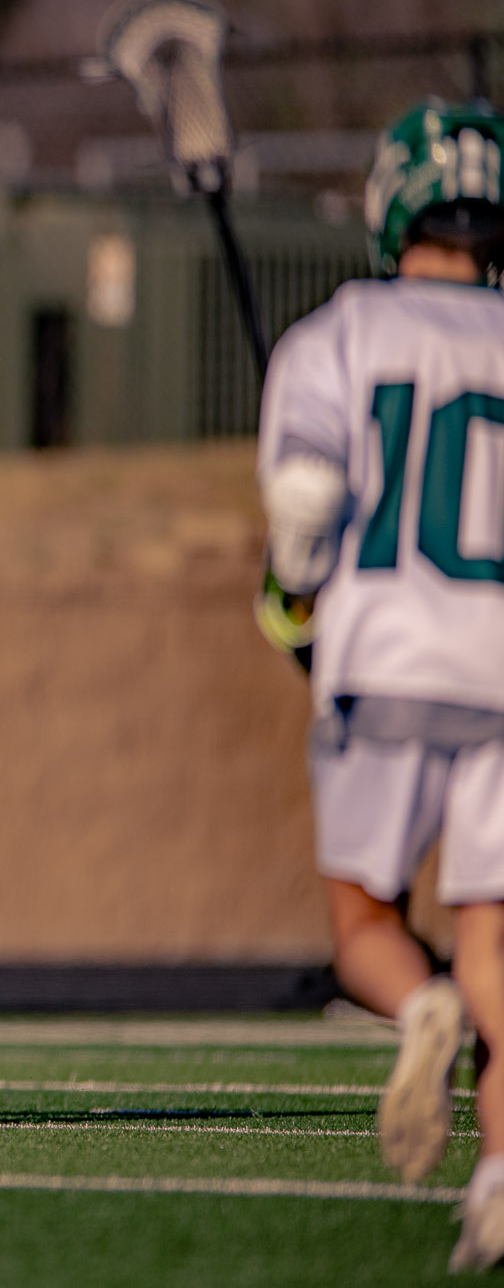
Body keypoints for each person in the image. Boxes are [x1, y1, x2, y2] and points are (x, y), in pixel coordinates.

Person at [255, 98, 504, 1272]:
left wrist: (296, 598)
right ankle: (499, 1184)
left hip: (385, 657)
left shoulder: (338, 333)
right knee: (493, 944)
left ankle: (416, 1011)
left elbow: (303, 512)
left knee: (362, 920)